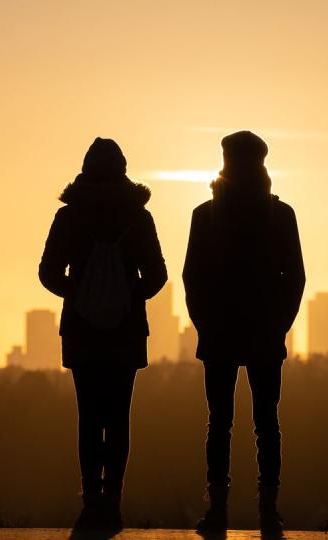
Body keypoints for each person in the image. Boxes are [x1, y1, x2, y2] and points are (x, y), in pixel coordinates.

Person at [39, 137, 167, 531]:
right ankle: (114, 498)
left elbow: (47, 273)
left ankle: (90, 497)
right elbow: (158, 275)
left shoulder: (69, 216)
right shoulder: (138, 217)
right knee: (119, 417)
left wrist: (77, 295)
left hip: (81, 332)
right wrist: (129, 297)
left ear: (86, 169)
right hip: (126, 333)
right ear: (123, 170)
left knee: (89, 417)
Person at [182, 131, 305, 535]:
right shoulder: (280, 214)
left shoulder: (205, 214)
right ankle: (268, 512)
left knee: (220, 423)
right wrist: (278, 327)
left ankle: (218, 512)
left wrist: (205, 324)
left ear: (225, 161)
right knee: (266, 423)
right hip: (263, 336)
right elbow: (296, 279)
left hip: (220, 334)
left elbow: (191, 277)